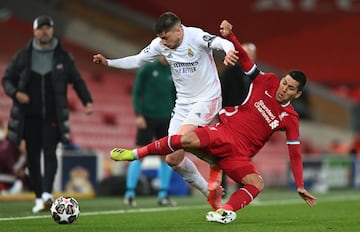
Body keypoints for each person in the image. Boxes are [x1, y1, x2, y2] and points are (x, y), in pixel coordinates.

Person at [109, 19, 317, 224]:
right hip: (224, 133)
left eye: (290, 88)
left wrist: (300, 184)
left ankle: (224, 211)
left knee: (257, 183)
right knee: (185, 139)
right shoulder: (268, 81)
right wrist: (231, 37)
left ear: (297, 95)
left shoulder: (290, 118)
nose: (283, 89)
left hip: (241, 155)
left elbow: (295, 153)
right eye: (284, 83)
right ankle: (135, 154)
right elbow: (245, 60)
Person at [93, 12, 237, 209]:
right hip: (183, 103)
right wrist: (109, 62)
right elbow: (137, 60)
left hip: (207, 98)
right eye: (160, 38)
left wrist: (229, 51)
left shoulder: (195, 36)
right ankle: (210, 192)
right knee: (172, 158)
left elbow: (220, 42)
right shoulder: (159, 45)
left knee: (183, 137)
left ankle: (215, 161)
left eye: (166, 37)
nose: (163, 42)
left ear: (178, 30)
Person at [2, 15, 94, 213]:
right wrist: (16, 93)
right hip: (28, 116)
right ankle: (38, 198)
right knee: (33, 157)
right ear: (34, 31)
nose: (44, 31)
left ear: (52, 30)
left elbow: (77, 81)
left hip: (53, 116)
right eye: (40, 28)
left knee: (50, 153)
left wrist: (87, 101)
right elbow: (7, 79)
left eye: (47, 28)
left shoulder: (63, 57)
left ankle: (46, 194)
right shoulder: (23, 56)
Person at [125, 56, 176, 207]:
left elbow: (176, 95)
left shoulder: (174, 70)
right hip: (147, 117)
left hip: (166, 118)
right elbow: (136, 92)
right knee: (139, 154)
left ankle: (163, 195)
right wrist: (138, 114)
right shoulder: (148, 69)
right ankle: (129, 193)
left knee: (166, 157)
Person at [219, 41, 257, 194]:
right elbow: (220, 93)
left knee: (245, 152)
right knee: (224, 151)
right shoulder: (230, 71)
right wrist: (223, 115)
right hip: (230, 117)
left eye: (252, 54)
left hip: (246, 119)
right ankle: (222, 186)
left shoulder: (254, 73)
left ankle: (243, 184)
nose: (250, 56)